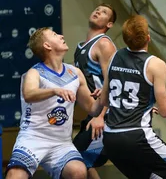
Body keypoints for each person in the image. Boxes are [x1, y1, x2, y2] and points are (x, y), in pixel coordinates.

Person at [98, 15, 166, 179]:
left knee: (151, 177)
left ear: (125, 39)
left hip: (110, 138)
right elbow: (165, 111)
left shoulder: (113, 57)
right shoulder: (155, 64)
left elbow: (104, 100)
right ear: (148, 38)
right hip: (137, 136)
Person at [5, 28, 103, 179]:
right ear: (47, 46)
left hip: (61, 143)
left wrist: (103, 98)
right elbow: (29, 94)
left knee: (79, 171)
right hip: (33, 139)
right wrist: (54, 91)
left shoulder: (75, 73)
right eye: (55, 35)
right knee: (15, 176)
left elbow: (92, 108)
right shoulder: (35, 73)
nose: (62, 36)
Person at [73, 4, 118, 178]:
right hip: (92, 115)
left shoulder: (104, 44)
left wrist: (101, 117)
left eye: (104, 12)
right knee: (80, 163)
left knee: (74, 160)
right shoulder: (81, 47)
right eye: (97, 9)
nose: (98, 11)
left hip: (107, 118)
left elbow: (114, 82)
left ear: (110, 24)